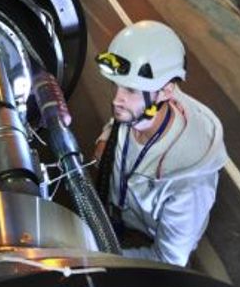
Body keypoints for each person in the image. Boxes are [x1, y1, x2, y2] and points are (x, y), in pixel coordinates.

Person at [94, 20, 227, 267]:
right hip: (122, 212)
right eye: (116, 85)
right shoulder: (141, 107)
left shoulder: (188, 185)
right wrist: (105, 139)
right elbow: (117, 123)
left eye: (131, 90)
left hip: (146, 234)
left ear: (166, 92)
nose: (116, 100)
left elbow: (167, 262)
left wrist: (97, 260)